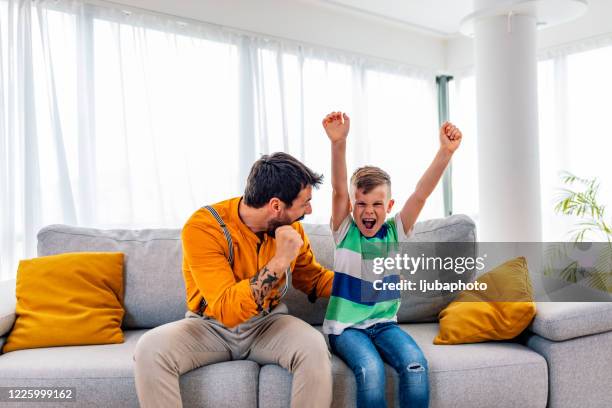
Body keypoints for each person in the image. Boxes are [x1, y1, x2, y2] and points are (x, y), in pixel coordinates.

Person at [133, 152, 335, 408]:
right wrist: (279, 261)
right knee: (151, 348)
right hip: (209, 328)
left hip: (268, 324)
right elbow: (227, 309)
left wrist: (364, 287)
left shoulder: (291, 227)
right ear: (276, 206)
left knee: (313, 347)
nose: (309, 210)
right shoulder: (204, 227)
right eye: (304, 203)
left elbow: (313, 279)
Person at [321, 111, 462, 408]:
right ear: (351, 205)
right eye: (360, 203)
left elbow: (421, 194)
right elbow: (336, 190)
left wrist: (445, 153)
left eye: (376, 204)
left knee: (415, 366)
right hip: (346, 329)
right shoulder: (345, 231)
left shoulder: (394, 232)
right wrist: (339, 142)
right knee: (370, 370)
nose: (368, 211)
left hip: (384, 324)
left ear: (389, 206)